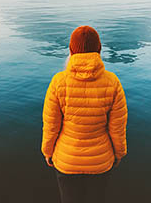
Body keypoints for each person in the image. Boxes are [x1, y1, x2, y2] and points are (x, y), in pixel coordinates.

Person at [41, 25, 128, 203]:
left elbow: (51, 125)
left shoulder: (58, 82)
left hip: (67, 161)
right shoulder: (113, 82)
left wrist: (47, 152)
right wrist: (119, 153)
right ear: (99, 50)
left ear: (71, 50)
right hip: (101, 162)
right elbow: (117, 128)